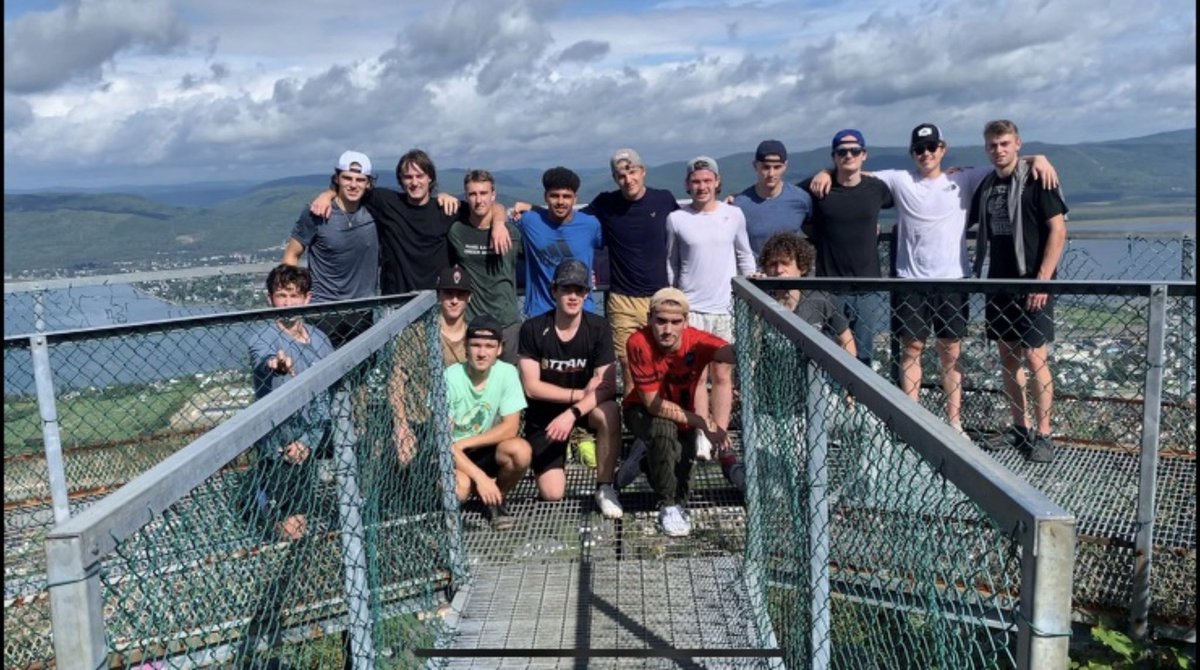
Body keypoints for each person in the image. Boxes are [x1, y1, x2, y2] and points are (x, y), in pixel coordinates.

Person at [808, 123, 1058, 437]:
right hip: (910, 281)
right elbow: (854, 172)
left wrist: (1038, 158)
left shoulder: (964, 178)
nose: (925, 154)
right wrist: (823, 171)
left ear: (942, 149)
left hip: (953, 281)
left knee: (950, 352)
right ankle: (912, 421)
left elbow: (1005, 159)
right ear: (912, 153)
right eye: (919, 149)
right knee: (911, 349)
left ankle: (954, 423)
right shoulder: (899, 180)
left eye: (931, 147)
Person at [969, 120, 1068, 463]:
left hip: (1032, 283)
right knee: (1008, 357)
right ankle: (1018, 426)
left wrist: (1043, 279)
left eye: (1005, 143)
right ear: (987, 148)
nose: (999, 150)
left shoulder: (1038, 179)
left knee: (1036, 358)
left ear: (1018, 144)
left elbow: (1057, 230)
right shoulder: (986, 184)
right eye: (993, 145)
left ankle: (1044, 433)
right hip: (999, 282)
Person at [310, 149, 510, 295]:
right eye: (408, 177)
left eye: (419, 176)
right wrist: (327, 195)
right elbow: (351, 188)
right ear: (401, 180)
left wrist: (499, 224)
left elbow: (488, 207)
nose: (414, 182)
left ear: (430, 178)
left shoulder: (447, 208)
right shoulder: (386, 202)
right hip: (397, 304)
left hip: (436, 303)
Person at [622, 287, 735, 537]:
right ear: (649, 318)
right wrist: (704, 423)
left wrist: (755, 331)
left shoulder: (697, 341)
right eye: (661, 321)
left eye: (675, 322)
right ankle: (667, 505)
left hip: (683, 415)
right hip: (641, 410)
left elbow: (730, 353)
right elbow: (654, 405)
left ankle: (646, 461)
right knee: (663, 430)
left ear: (686, 321)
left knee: (683, 480)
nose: (667, 330)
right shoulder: (638, 343)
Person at [518, 259, 623, 519]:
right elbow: (531, 387)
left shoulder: (598, 327)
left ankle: (605, 486)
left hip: (582, 411)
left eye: (579, 290)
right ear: (554, 291)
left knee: (609, 411)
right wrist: (577, 395)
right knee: (552, 493)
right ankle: (564, 448)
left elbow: (606, 385)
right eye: (566, 289)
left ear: (587, 294)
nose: (573, 296)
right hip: (545, 414)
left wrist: (573, 412)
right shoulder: (532, 328)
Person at [246, 264, 333, 541]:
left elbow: (326, 396)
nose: (287, 303)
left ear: (307, 298)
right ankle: (261, 508)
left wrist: (309, 440)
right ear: (270, 299)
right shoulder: (262, 338)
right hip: (282, 442)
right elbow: (263, 361)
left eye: (294, 295)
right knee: (291, 529)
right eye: (281, 295)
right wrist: (277, 364)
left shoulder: (321, 341)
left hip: (316, 432)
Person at [585, 148, 680, 387]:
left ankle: (665, 420)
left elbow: (691, 222)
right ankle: (632, 416)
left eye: (633, 172)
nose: (628, 180)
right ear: (615, 178)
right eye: (621, 176)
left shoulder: (664, 200)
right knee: (628, 364)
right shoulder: (606, 203)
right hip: (622, 301)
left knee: (665, 362)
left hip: (660, 298)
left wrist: (729, 202)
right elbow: (567, 218)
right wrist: (532, 211)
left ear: (643, 171)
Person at [799, 130, 894, 366]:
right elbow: (781, 195)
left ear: (864, 155)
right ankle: (832, 402)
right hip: (829, 287)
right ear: (834, 156)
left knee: (863, 354)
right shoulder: (819, 187)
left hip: (867, 286)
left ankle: (859, 403)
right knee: (828, 353)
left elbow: (910, 189)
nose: (849, 155)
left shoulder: (877, 189)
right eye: (842, 152)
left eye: (855, 151)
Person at [282, 150, 379, 347]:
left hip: (363, 312)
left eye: (360, 180)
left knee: (364, 372)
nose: (353, 185)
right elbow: (291, 255)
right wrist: (294, 302)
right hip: (323, 313)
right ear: (337, 179)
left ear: (368, 183)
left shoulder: (375, 210)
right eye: (347, 178)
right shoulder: (317, 213)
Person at [445, 315, 532, 529]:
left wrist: (467, 443)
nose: (482, 353)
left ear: (499, 350)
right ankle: (452, 508)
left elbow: (511, 427)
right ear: (466, 347)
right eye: (475, 345)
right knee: (460, 489)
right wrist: (480, 477)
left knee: (520, 451)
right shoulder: (449, 377)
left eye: (489, 346)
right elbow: (444, 442)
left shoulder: (507, 372)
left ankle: (496, 498)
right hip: (452, 453)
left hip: (474, 445)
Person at [666, 156, 756, 343]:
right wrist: (674, 299)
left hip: (727, 309)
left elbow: (744, 254)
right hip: (691, 309)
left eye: (707, 180)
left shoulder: (734, 214)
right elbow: (670, 262)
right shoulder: (676, 218)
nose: (702, 187)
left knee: (724, 371)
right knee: (694, 371)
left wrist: (752, 289)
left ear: (717, 181)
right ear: (687, 184)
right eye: (696, 181)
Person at [448, 169, 522, 363]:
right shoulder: (457, 231)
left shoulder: (512, 233)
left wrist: (499, 223)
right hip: (473, 321)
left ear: (493, 195)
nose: (478, 199)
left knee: (509, 380)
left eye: (483, 193)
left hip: (507, 321)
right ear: (466, 196)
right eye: (472, 194)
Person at [513, 166, 603, 318]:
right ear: (545, 197)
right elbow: (495, 214)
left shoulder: (590, 225)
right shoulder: (529, 222)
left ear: (576, 198)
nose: (560, 201)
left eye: (566, 196)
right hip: (540, 313)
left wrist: (594, 274)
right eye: (554, 196)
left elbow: (608, 250)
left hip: (582, 312)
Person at [759, 233, 856, 355]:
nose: (779, 270)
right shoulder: (760, 301)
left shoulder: (820, 301)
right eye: (773, 264)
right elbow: (751, 348)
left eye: (785, 263)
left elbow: (848, 343)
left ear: (802, 267)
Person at [732, 139, 813, 257]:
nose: (771, 174)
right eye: (766, 167)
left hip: (789, 273)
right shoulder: (740, 205)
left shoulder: (802, 200)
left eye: (777, 167)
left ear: (785, 166)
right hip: (754, 273)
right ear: (755, 166)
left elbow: (816, 230)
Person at [436, 265, 472, 367]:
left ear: (469, 297)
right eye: (449, 294)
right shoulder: (420, 334)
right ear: (438, 295)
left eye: (460, 294)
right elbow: (398, 379)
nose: (454, 301)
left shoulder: (474, 336)